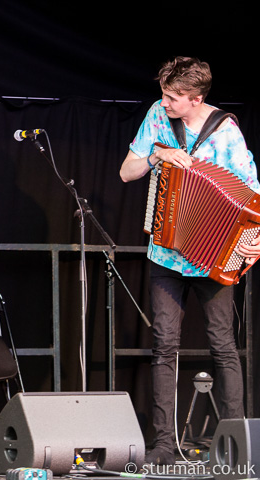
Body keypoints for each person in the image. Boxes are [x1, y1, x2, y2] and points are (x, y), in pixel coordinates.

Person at [119, 57, 260, 465]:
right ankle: (164, 444)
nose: (164, 103)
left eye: (173, 98)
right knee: (164, 344)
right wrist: (157, 156)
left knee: (223, 345)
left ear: (196, 99)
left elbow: (253, 198)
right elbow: (127, 172)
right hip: (166, 252)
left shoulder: (227, 133)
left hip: (214, 257)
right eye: (163, 95)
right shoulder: (156, 118)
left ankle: (233, 443)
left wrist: (256, 241)